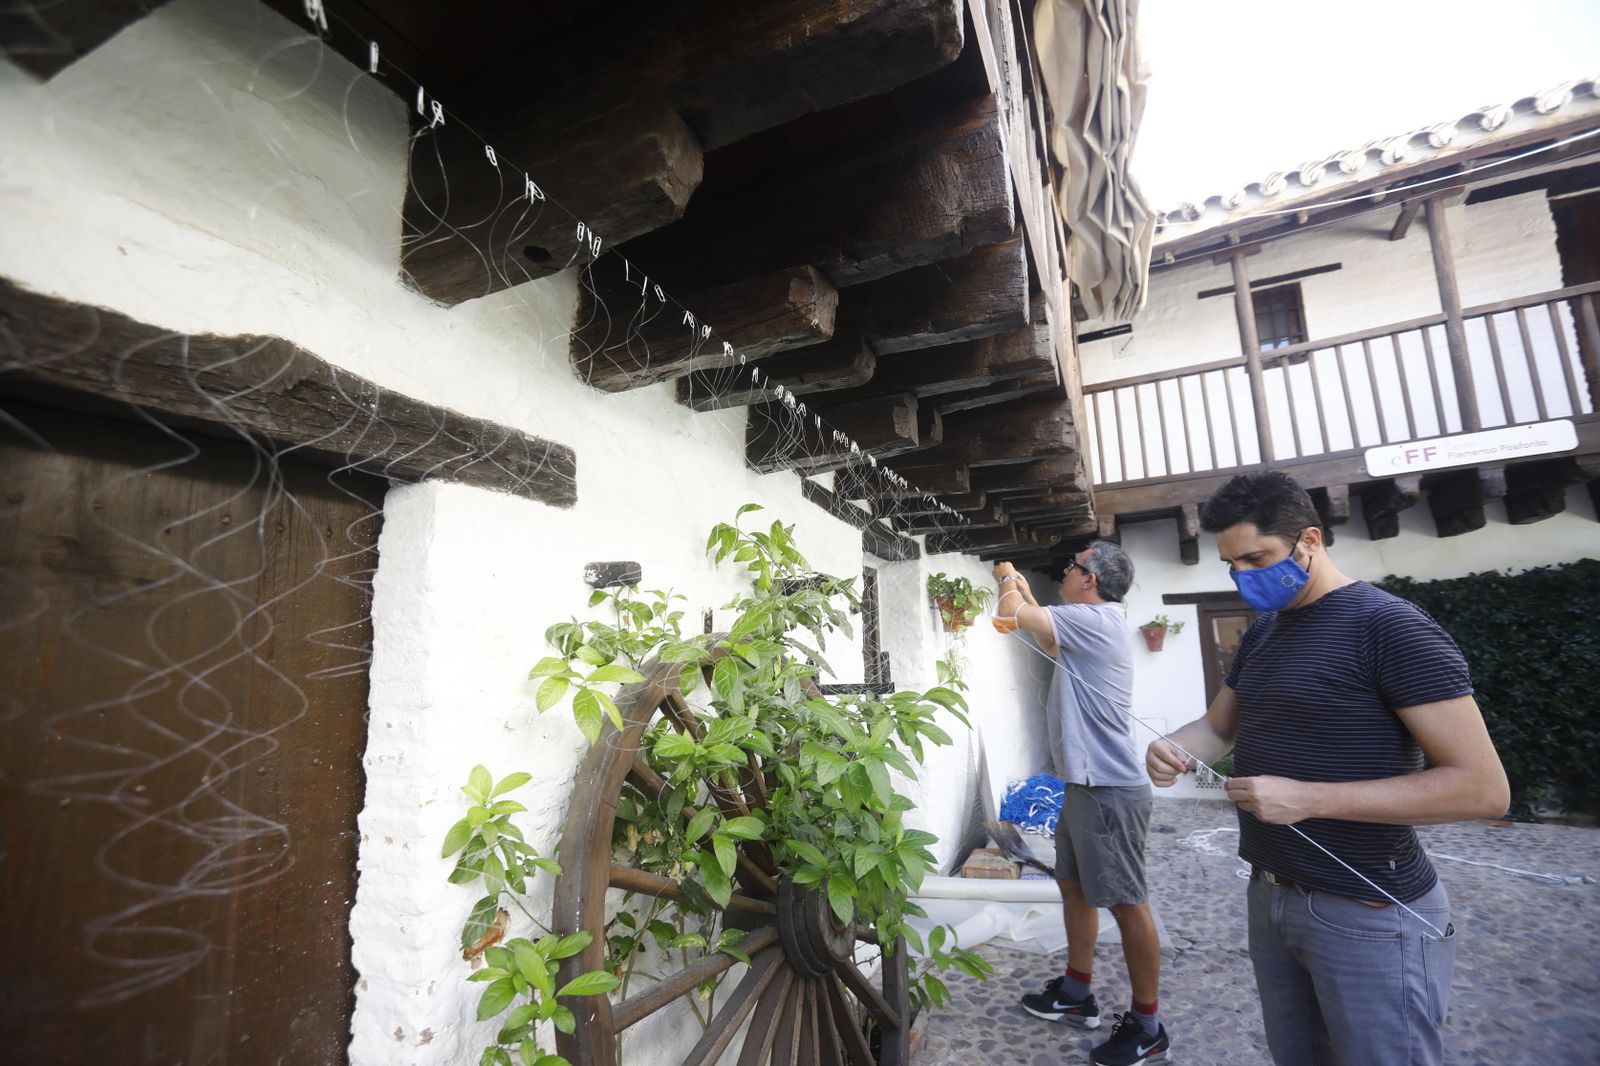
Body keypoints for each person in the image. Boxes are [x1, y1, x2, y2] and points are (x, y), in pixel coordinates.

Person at [1145, 471, 1509, 1066]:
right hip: (1272, 896)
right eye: (1232, 565)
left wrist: (1311, 798)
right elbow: (1217, 728)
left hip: (1370, 912)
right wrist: (1175, 748)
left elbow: (1483, 790)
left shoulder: (1391, 628)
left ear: (1310, 539)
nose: (1244, 576)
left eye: (1258, 558)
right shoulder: (1265, 631)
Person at [994, 544, 1171, 1066]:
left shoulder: (1097, 619)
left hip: (1110, 790)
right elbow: (1040, 628)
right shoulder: (1086, 619)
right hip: (1083, 785)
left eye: (1072, 566)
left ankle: (1147, 1025)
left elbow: (1010, 616)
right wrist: (1024, 592)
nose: (1065, 571)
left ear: (1089, 579)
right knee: (1072, 888)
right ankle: (1076, 993)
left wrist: (1006, 576)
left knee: (1127, 903)